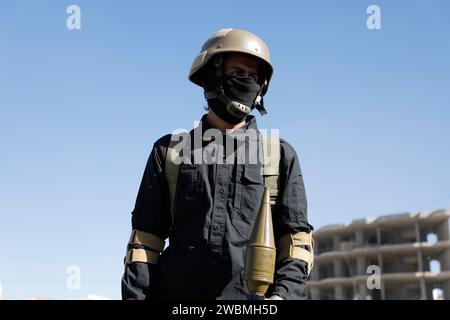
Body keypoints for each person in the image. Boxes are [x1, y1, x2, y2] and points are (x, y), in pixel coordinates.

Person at [121, 28, 314, 300]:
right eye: (237, 73)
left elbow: (295, 244)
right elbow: (145, 242)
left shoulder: (279, 155)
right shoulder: (169, 152)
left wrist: (281, 297)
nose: (246, 82)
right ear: (211, 76)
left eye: (253, 76)